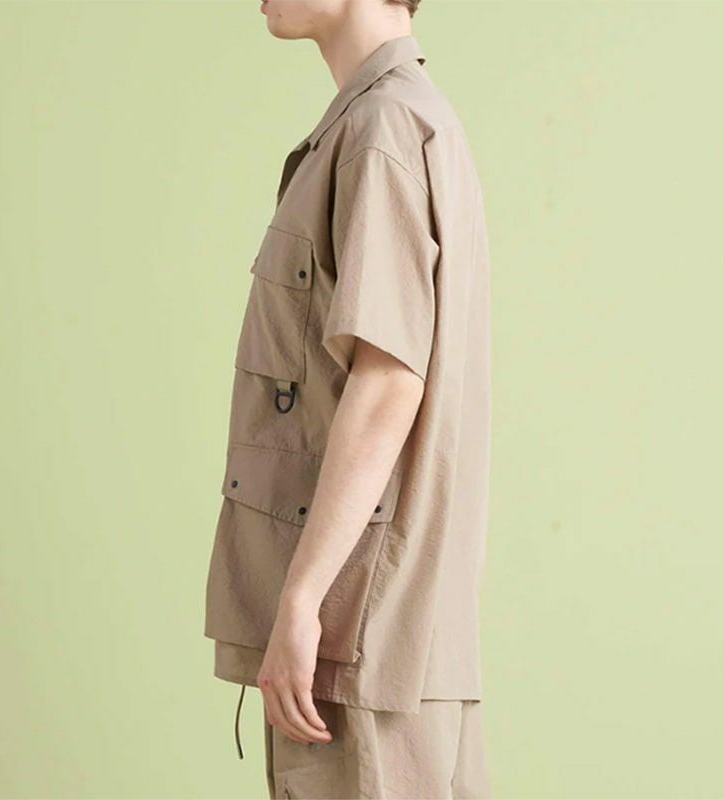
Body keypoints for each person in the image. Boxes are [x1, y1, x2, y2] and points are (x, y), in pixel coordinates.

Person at [204, 1, 493, 797]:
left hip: (359, 631)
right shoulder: (393, 122)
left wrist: (302, 601)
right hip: (379, 633)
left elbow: (390, 377)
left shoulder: (383, 131)